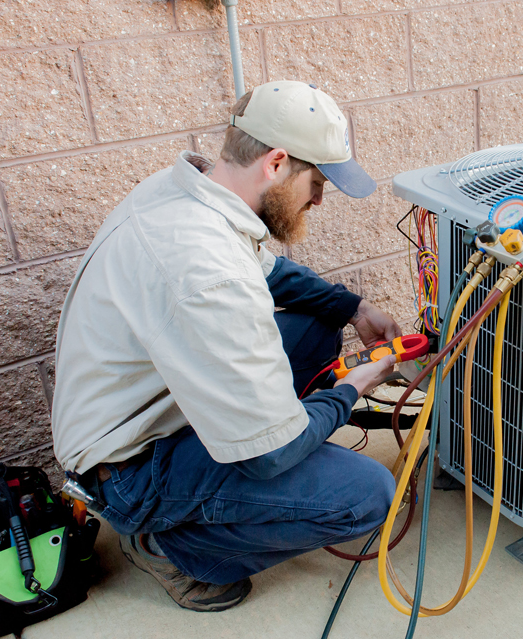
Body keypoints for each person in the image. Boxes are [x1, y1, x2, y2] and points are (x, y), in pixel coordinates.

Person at [51, 81, 401, 612]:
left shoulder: (190, 195)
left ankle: (244, 454)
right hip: (129, 467)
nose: (319, 199)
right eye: (317, 181)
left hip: (153, 407)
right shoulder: (206, 269)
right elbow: (272, 454)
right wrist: (349, 391)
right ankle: (175, 547)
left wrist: (354, 308)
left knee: (315, 325)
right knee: (366, 496)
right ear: (277, 162)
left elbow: (270, 272)